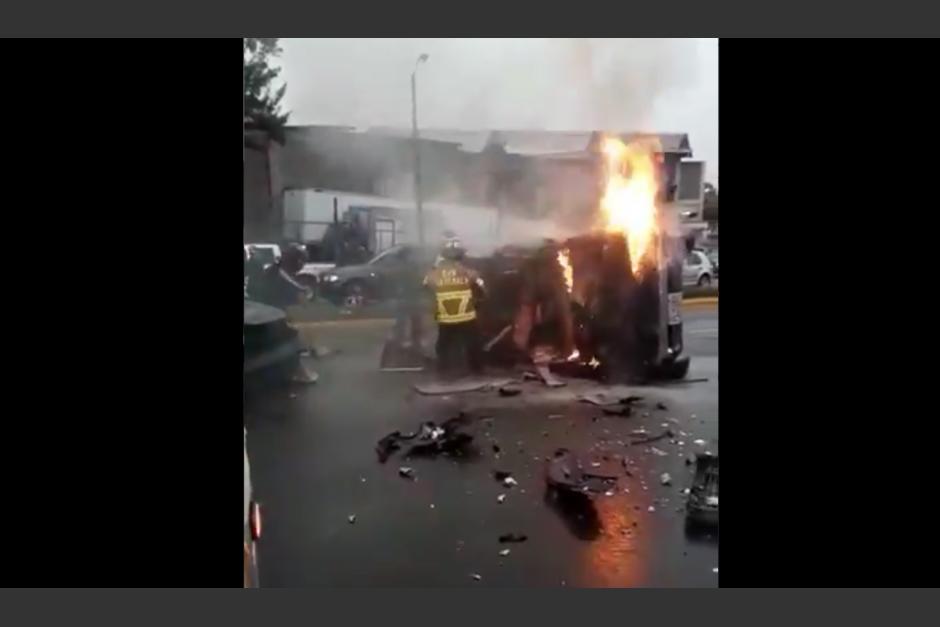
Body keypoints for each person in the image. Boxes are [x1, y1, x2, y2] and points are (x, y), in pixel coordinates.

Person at [423, 234, 485, 375]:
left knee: (443, 345)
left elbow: (425, 286)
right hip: (467, 316)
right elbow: (482, 289)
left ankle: (443, 370)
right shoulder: (468, 272)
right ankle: (477, 371)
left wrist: (435, 265)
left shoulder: (434, 274)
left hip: (445, 318)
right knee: (473, 344)